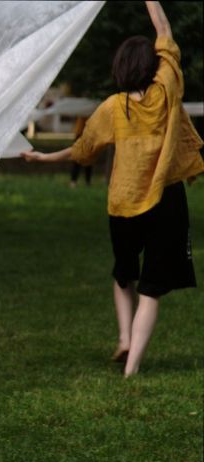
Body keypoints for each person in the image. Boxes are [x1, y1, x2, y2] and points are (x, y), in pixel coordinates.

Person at [21, 1, 203, 377]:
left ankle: (123, 337)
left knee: (124, 275)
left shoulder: (111, 108)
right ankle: (132, 366)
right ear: (154, 66)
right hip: (165, 199)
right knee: (151, 290)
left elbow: (83, 149)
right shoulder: (166, 90)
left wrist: (44, 158)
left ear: (121, 68)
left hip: (123, 203)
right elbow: (164, 30)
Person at [69, 116, 92, 187]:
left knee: (89, 159)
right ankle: (74, 181)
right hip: (80, 135)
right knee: (77, 159)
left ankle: (87, 182)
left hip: (89, 135)